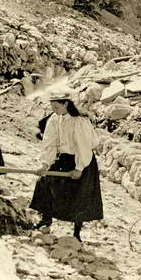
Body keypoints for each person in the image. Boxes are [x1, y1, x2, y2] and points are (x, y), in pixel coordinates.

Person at [29, 87, 104, 241]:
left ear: (65, 104)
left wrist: (79, 168)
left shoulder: (79, 121)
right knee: (45, 181)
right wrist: (45, 164)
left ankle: (76, 232)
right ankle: (46, 220)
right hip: (64, 159)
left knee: (79, 194)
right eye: (52, 107)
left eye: (56, 107)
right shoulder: (55, 119)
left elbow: (83, 146)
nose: (54, 110)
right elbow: (50, 143)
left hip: (83, 160)